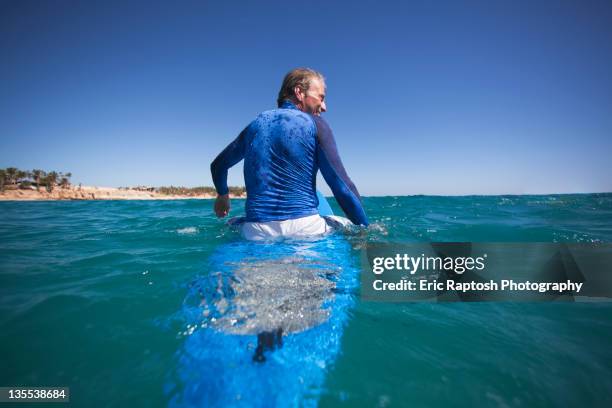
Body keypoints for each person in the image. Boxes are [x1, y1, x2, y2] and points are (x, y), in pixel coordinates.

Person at [210, 68, 368, 240]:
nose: (324, 107)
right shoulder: (315, 124)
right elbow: (342, 187)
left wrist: (223, 196)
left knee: (233, 222)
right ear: (299, 92)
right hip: (306, 229)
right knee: (346, 224)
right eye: (321, 98)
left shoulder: (256, 124)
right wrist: (366, 231)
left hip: (255, 231)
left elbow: (218, 165)